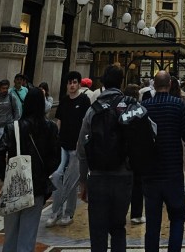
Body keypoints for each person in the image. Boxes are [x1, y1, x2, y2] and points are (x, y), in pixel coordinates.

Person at [77, 64, 138, 252]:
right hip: (123, 176)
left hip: (98, 177)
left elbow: (81, 149)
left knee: (98, 229)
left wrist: (83, 181)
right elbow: (144, 138)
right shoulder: (129, 106)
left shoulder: (93, 110)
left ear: (103, 83)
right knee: (118, 228)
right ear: (122, 82)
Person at [141, 70, 185, 252]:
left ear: (154, 86)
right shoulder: (178, 106)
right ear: (171, 85)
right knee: (178, 217)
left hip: (150, 174)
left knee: (152, 222)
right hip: (173, 172)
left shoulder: (145, 106)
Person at [2, 85, 61, 252]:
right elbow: (56, 157)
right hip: (37, 186)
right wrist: (43, 173)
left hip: (14, 184)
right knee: (28, 233)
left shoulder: (13, 127)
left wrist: (3, 175)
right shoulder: (50, 127)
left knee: (11, 233)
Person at [47, 70, 89, 226]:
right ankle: (55, 211)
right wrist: (56, 139)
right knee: (57, 177)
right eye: (70, 82)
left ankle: (68, 213)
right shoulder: (64, 101)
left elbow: (86, 124)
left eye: (75, 82)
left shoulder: (84, 100)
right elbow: (59, 121)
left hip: (76, 147)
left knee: (71, 182)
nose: (72, 85)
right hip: (63, 145)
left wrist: (82, 143)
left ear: (79, 84)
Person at [0, 79, 21, 180]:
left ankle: (0, 171)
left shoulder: (11, 98)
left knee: (2, 151)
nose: (5, 90)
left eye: (6, 88)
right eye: (3, 88)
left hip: (6, 128)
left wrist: (13, 125)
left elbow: (17, 113)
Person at [124, 84, 146, 225]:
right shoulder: (140, 110)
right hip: (137, 152)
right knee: (138, 183)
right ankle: (136, 214)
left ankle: (121, 211)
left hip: (122, 152)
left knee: (124, 183)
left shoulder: (119, 108)